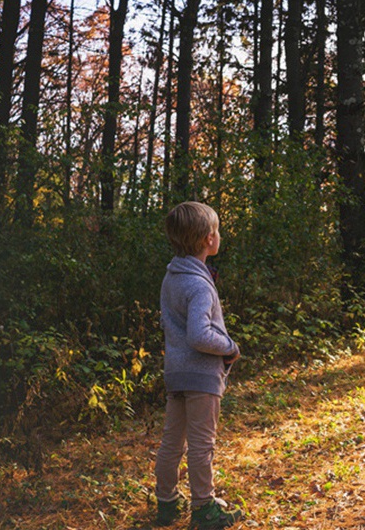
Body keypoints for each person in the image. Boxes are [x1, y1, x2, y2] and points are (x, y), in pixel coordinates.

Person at [154, 201, 243, 529]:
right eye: (216, 231)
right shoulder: (199, 284)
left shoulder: (172, 278)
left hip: (176, 373)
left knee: (172, 440)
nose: (219, 236)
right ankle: (204, 507)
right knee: (202, 443)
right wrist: (230, 347)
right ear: (208, 239)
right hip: (201, 375)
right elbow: (199, 334)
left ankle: (166, 501)